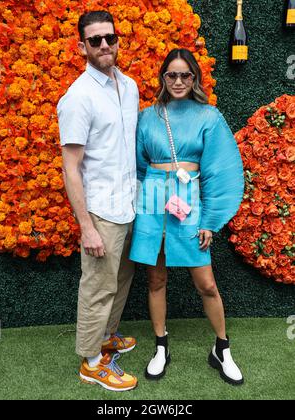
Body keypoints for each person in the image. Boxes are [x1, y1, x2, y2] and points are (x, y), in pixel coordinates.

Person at [129, 49, 245, 386]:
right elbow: (137, 166)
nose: (178, 81)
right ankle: (161, 346)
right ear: (163, 78)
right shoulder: (147, 117)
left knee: (206, 283)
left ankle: (222, 348)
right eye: (171, 75)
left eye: (185, 75)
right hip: (152, 203)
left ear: (194, 78)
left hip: (188, 204)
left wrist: (209, 220)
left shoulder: (209, 116)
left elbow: (218, 171)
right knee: (156, 280)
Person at [57, 11, 139, 392]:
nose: (104, 44)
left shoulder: (131, 86)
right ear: (82, 47)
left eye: (110, 37)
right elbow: (71, 168)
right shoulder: (78, 97)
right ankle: (91, 363)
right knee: (97, 287)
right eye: (95, 40)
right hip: (101, 210)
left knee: (122, 278)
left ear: (117, 40)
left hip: (129, 204)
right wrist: (86, 226)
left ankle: (106, 338)